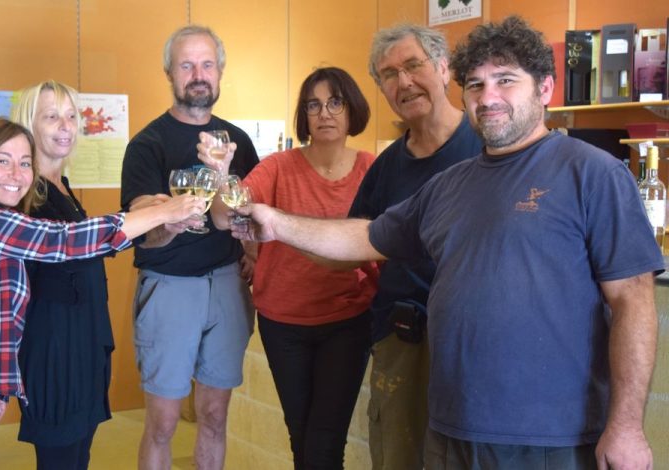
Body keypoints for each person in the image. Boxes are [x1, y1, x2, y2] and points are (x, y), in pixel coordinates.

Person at [232, 16, 663, 470]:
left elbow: (633, 301)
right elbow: (364, 236)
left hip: (550, 437)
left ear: (545, 89)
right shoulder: (448, 185)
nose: (488, 97)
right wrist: (276, 223)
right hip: (452, 427)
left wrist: (627, 426)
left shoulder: (591, 172)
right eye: (475, 84)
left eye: (505, 80)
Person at [0, 118, 204, 470]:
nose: (16, 173)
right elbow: (63, 240)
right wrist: (162, 211)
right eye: (2, 160)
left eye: (25, 163)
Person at [202, 66, 377, 469]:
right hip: (284, 324)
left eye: (335, 102)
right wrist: (220, 176)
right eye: (313, 105)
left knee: (325, 443)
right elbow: (224, 217)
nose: (325, 113)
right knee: (301, 437)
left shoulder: (371, 169)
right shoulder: (278, 166)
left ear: (352, 108)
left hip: (348, 320)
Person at [119, 25, 259, 470]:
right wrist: (170, 222)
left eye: (206, 64)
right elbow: (143, 232)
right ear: (169, 73)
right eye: (186, 65)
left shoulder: (239, 142)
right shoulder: (147, 145)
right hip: (169, 286)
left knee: (215, 416)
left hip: (227, 286)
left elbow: (247, 215)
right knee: (162, 423)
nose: (198, 75)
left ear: (219, 72)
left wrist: (252, 254)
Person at [350, 24, 483, 470]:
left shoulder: (488, 146)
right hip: (403, 340)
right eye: (389, 75)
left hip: (475, 340)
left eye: (413, 66)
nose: (404, 82)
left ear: (444, 69)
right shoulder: (386, 167)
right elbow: (354, 240)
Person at [10, 80, 112, 469]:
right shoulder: (23, 193)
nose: (66, 126)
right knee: (61, 458)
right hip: (53, 351)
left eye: (71, 116)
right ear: (28, 124)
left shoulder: (62, 187)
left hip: (84, 342)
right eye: (52, 116)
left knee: (78, 456)